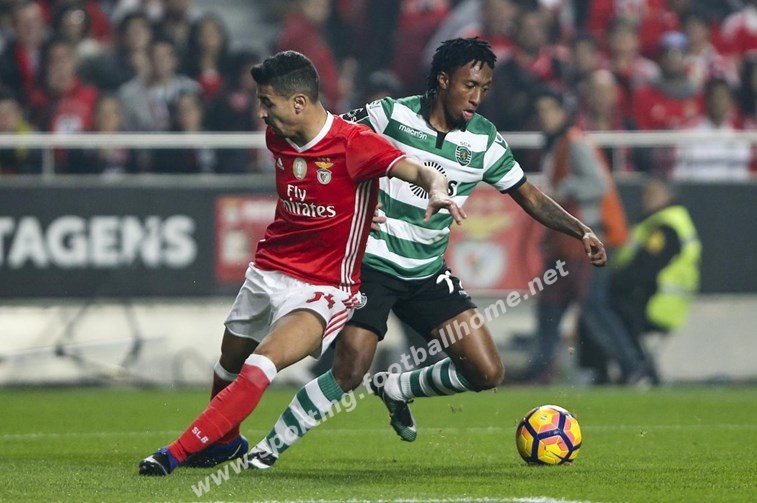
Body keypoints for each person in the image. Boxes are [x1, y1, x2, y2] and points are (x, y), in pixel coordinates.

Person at [195, 37, 606, 471]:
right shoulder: (389, 114)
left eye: (484, 88)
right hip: (371, 265)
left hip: (426, 272)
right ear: (443, 80)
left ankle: (396, 388)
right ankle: (267, 450)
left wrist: (581, 230)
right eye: (469, 85)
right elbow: (326, 140)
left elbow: (531, 197)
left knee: (487, 372)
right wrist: (344, 205)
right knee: (350, 370)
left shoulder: (486, 141)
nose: (476, 97)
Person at [137, 49, 464, 476]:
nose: (261, 113)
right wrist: (354, 211)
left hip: (324, 287)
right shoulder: (277, 136)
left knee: (262, 363)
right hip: (269, 269)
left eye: (266, 102)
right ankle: (225, 443)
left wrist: (437, 189)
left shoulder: (355, 143)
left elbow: (421, 172)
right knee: (228, 364)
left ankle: (174, 454)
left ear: (298, 102)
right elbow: (323, 194)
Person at [514, 87, 647, 385]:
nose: (544, 117)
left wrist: (566, 189)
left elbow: (599, 184)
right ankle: (540, 370)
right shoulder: (558, 144)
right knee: (550, 306)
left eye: (550, 110)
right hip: (564, 243)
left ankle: (634, 368)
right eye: (540, 111)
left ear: (564, 113)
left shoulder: (575, 142)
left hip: (587, 239)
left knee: (593, 308)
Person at [584, 177, 701, 384]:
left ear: (668, 196)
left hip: (659, 302)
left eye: (652, 194)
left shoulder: (666, 227)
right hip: (658, 300)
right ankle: (629, 369)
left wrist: (614, 283)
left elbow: (645, 267)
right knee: (600, 306)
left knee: (603, 308)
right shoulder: (659, 222)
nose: (646, 199)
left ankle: (633, 369)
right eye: (645, 194)